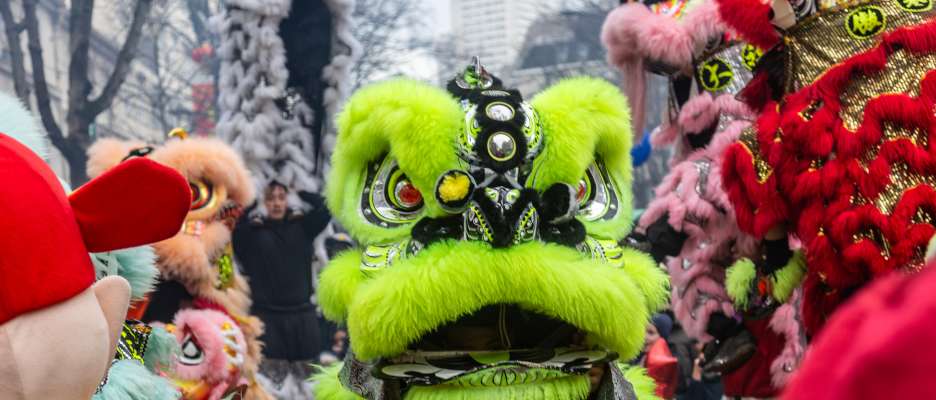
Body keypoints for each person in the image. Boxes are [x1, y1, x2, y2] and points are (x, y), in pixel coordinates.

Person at [233, 181, 331, 395]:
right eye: (270, 198)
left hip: (303, 319)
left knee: (310, 385)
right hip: (268, 321)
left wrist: (301, 191)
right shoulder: (252, 233)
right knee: (270, 387)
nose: (276, 203)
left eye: (281, 197)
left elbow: (326, 208)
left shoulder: (303, 226)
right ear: (264, 203)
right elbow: (233, 225)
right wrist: (252, 202)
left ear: (287, 200)